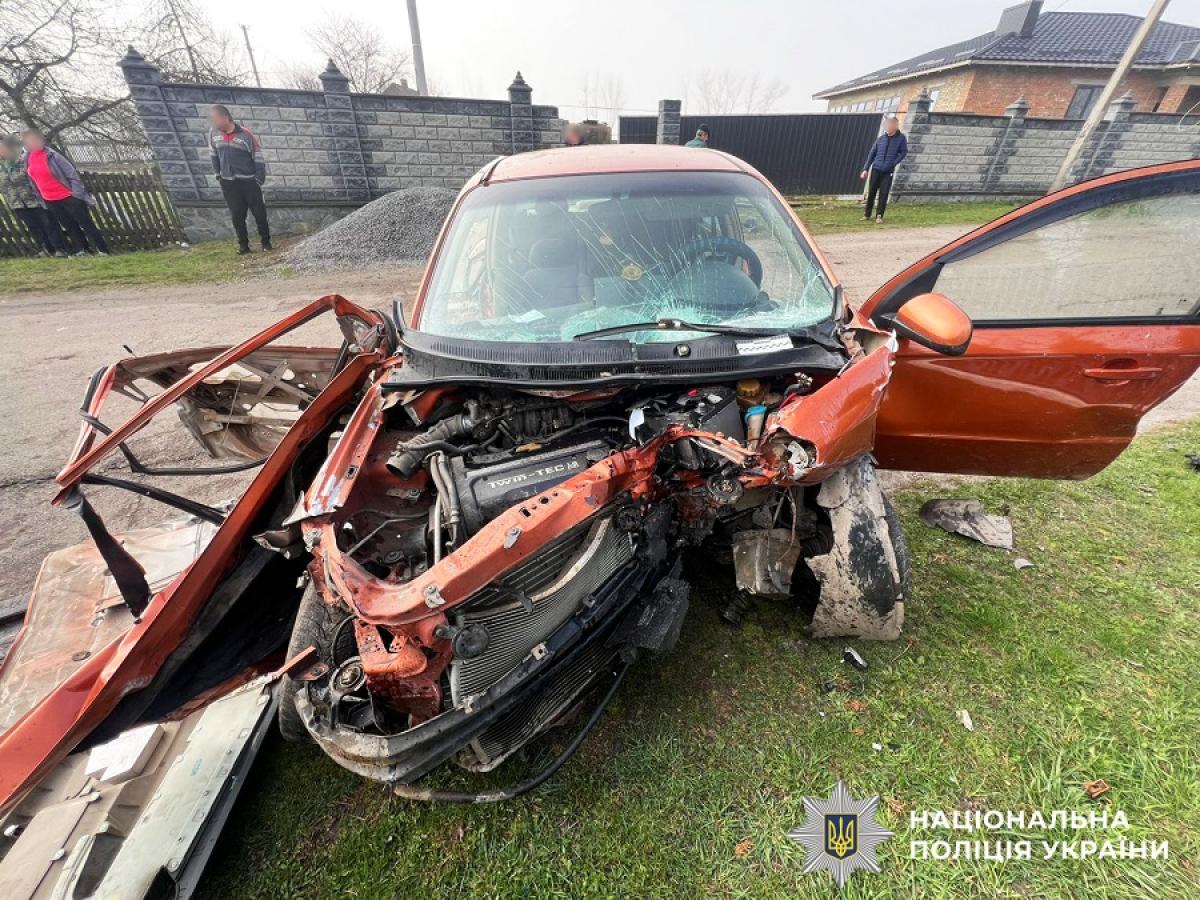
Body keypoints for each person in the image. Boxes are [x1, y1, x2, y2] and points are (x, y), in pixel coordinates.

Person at [20, 129, 110, 256]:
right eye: (28, 141)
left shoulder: (52, 155)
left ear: (40, 139)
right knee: (70, 226)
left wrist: (76, 194)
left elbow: (72, 174)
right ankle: (83, 250)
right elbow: (32, 179)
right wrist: (42, 198)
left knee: (86, 224)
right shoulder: (27, 158)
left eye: (34, 139)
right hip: (50, 199)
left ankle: (102, 250)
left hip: (68, 196)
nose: (32, 143)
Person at [208, 104, 271, 255]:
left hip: (249, 182)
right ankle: (243, 246)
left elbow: (258, 158)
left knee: (259, 213)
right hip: (229, 183)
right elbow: (213, 155)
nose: (214, 123)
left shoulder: (245, 135)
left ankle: (266, 242)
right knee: (237, 215)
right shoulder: (213, 133)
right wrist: (219, 175)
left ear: (226, 118)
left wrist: (258, 180)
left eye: (216, 120)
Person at [1, 135, 67, 257]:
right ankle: (45, 249)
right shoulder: (1, 166)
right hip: (16, 202)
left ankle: (59, 248)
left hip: (35, 198)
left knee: (48, 223)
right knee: (33, 227)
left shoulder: (23, 160)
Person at [860, 114, 908, 223]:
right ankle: (867, 214)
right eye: (886, 125)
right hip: (876, 169)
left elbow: (904, 152)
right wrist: (865, 169)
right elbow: (872, 154)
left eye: (890, 124)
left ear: (895, 126)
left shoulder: (901, 138)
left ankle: (879, 216)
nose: (888, 127)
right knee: (871, 192)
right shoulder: (880, 139)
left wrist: (893, 163)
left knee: (884, 193)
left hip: (888, 171)